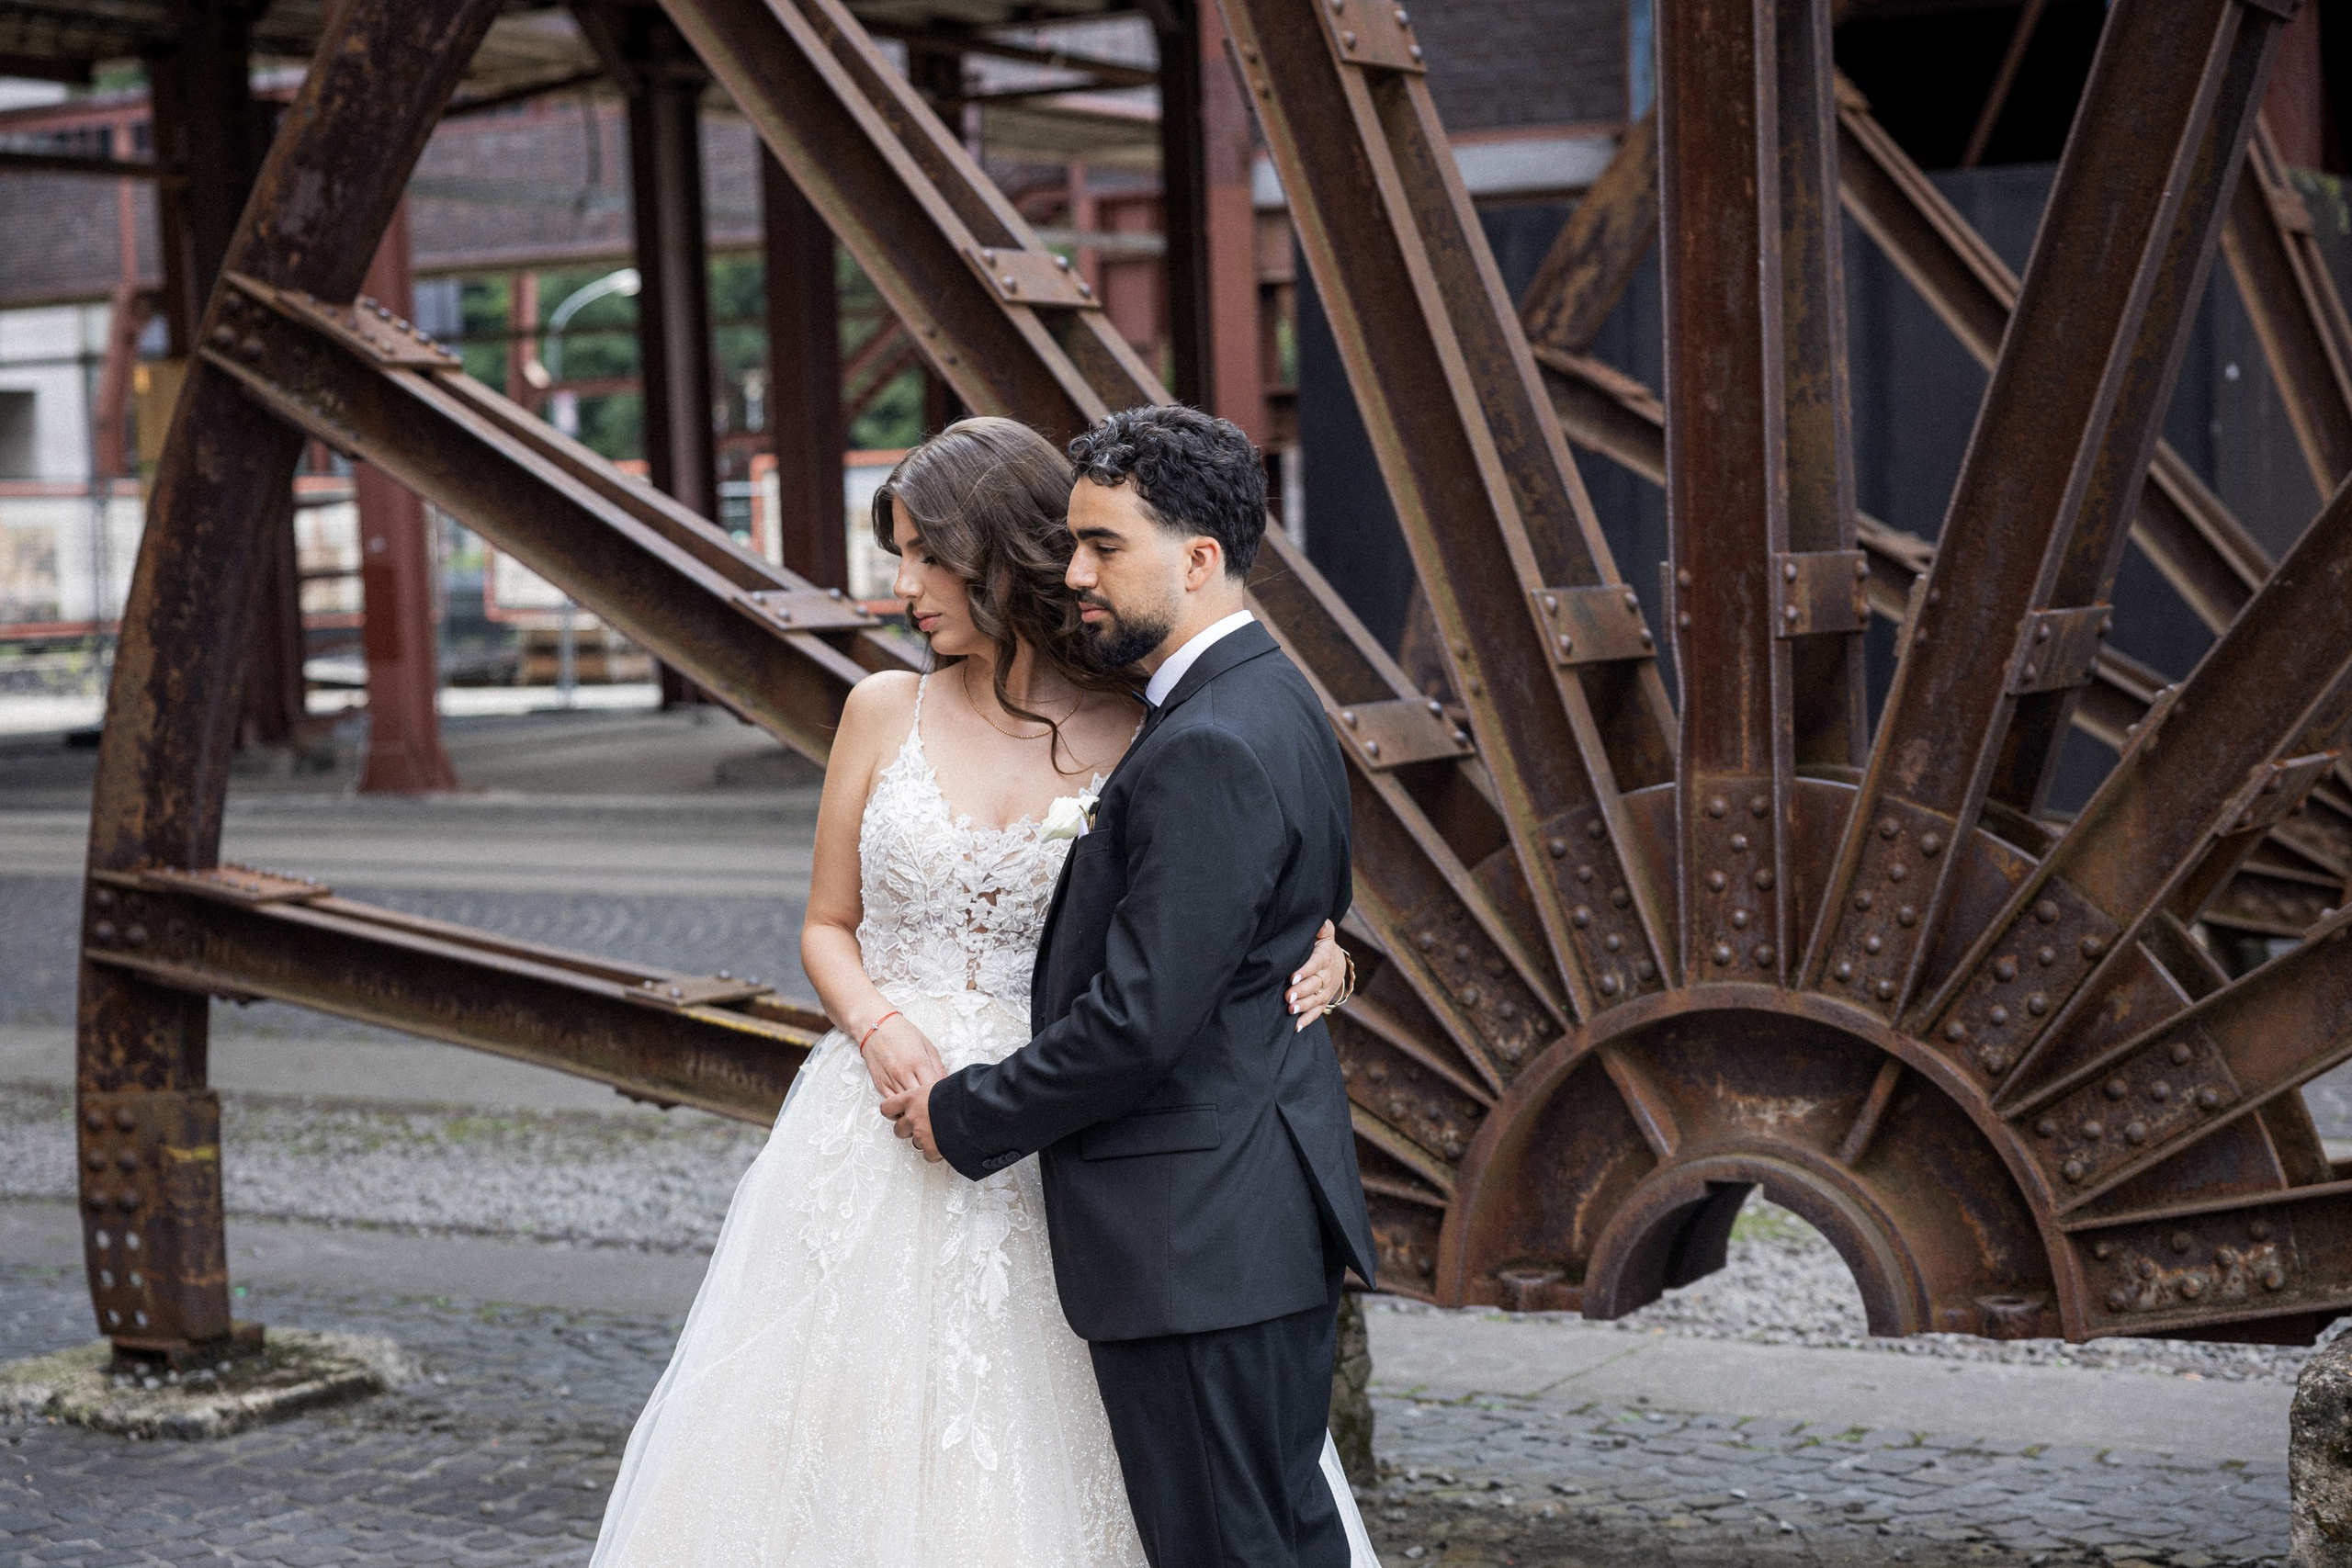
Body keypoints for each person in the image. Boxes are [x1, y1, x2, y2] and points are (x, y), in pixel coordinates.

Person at [587, 415, 1359, 1568]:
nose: (903, 587)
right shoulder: (879, 712)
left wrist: (1329, 945)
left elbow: (1224, 889)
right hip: (882, 1113)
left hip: (1073, 1140)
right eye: (894, 554)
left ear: (1007, 552)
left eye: (927, 555)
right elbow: (826, 922)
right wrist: (879, 1027)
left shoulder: (1146, 725)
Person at [886, 405, 1380, 1568]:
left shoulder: (1206, 739)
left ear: (1197, 559)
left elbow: (1135, 1026)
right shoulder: (1267, 699)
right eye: (1071, 544)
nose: (1076, 573)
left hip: (1195, 1240)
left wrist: (960, 1117)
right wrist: (1337, 949)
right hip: (1240, 1223)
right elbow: (1289, 908)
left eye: (1104, 546)